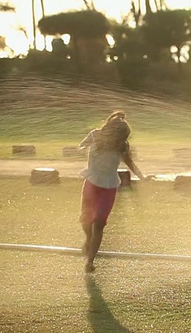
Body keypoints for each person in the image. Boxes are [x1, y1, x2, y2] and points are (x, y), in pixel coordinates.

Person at [78, 111, 146, 273]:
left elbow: (129, 162)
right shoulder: (95, 135)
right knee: (85, 220)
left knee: (100, 223)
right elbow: (81, 144)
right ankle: (88, 239)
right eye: (121, 136)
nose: (122, 140)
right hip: (91, 182)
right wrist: (85, 144)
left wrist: (142, 177)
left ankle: (90, 261)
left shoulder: (123, 145)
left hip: (109, 186)